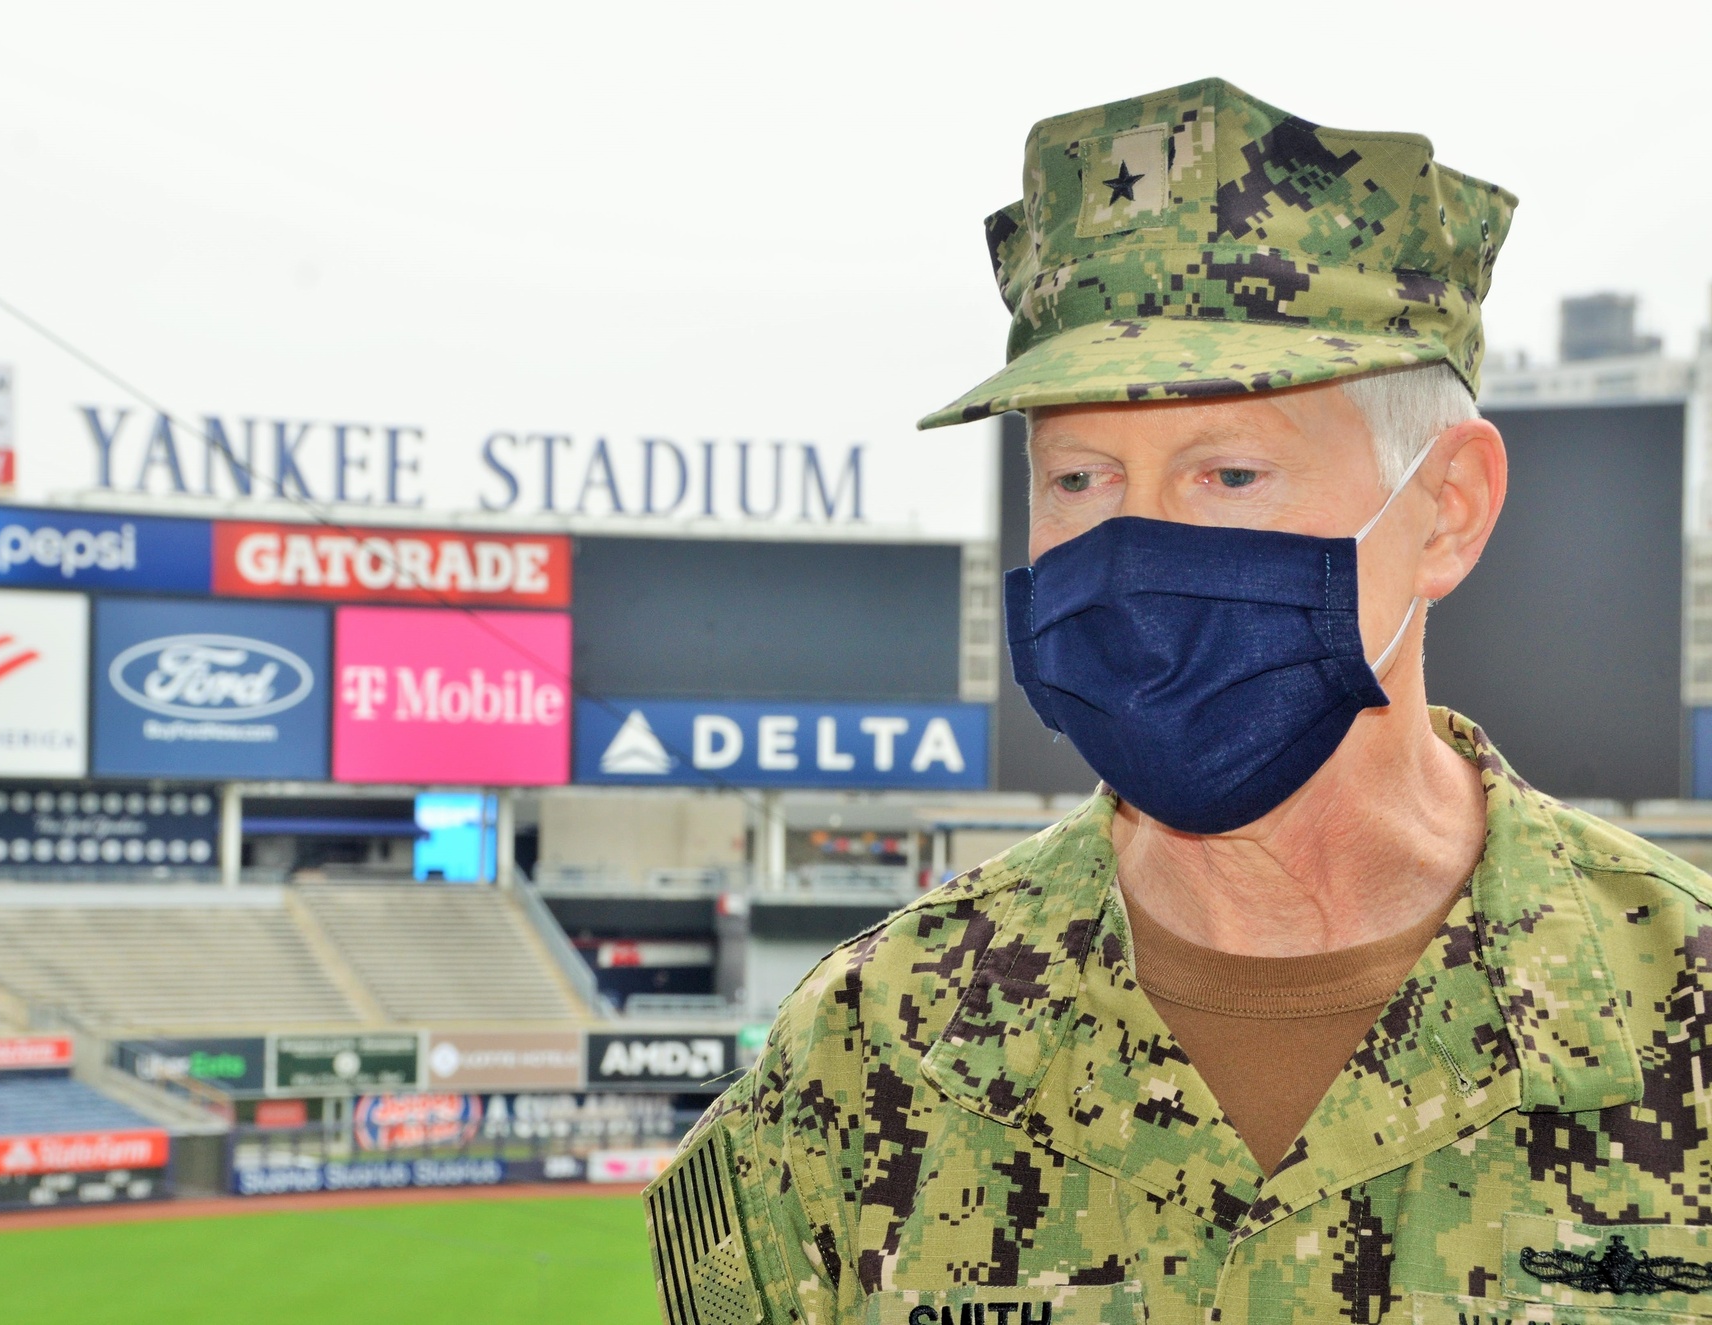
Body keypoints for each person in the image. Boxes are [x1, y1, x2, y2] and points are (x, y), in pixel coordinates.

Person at [643, 77, 1712, 1325]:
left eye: (1230, 472)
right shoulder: (873, 1045)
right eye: (1079, 476)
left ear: (1447, 510)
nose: (1132, 555)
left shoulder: (1679, 1009)